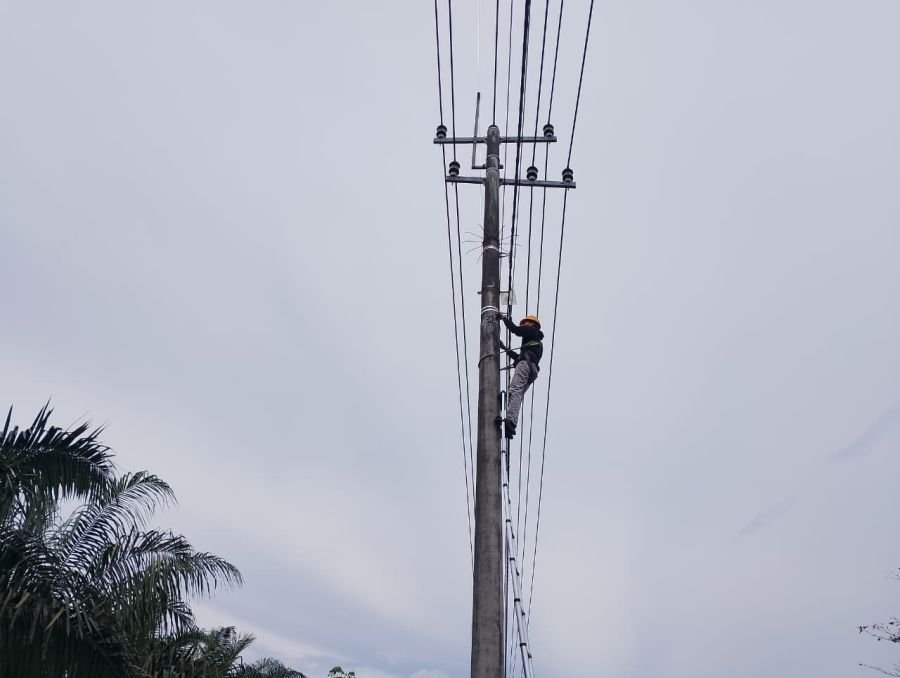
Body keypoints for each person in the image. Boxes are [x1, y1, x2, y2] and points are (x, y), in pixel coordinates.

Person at [498, 313, 544, 439]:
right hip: (531, 370)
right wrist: (504, 348)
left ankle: (511, 421)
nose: (523, 324)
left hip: (526, 365)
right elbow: (518, 357)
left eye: (526, 322)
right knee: (516, 395)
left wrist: (504, 319)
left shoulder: (531, 331)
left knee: (514, 391)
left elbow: (515, 330)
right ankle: (511, 424)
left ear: (533, 324)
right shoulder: (533, 341)